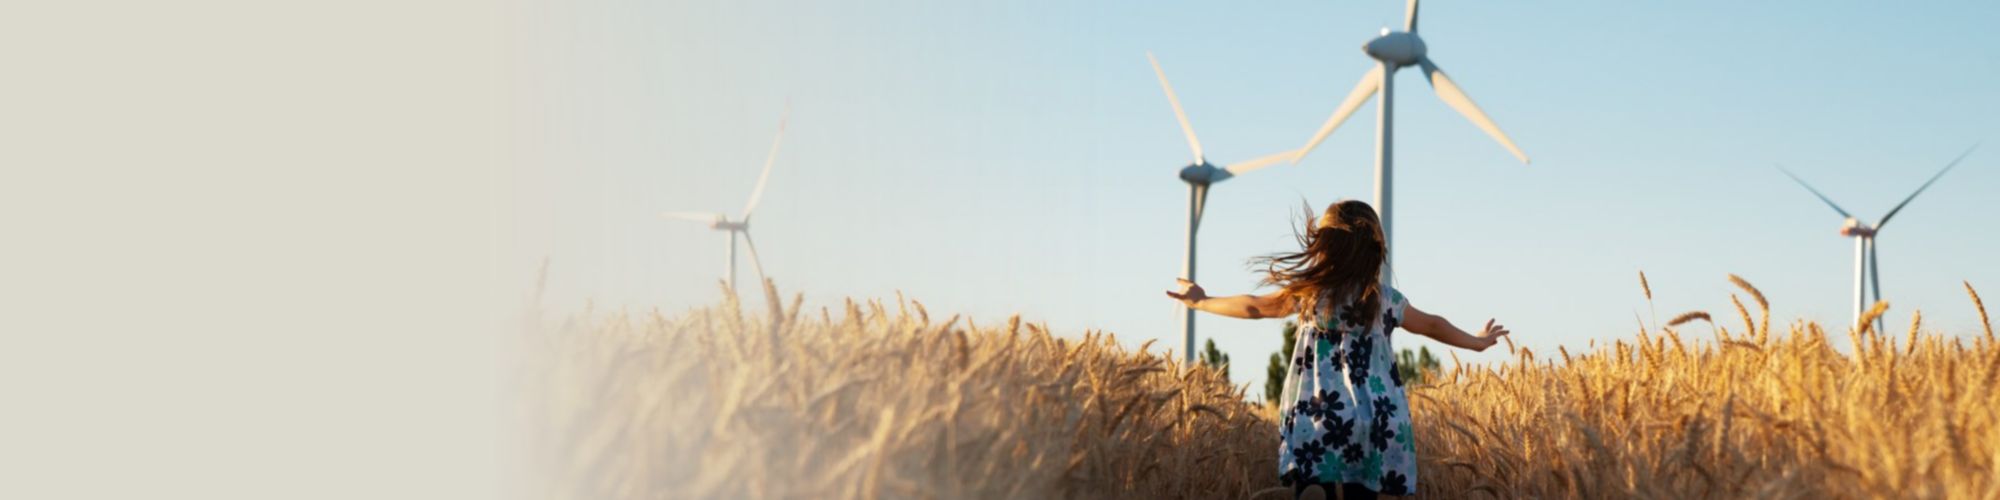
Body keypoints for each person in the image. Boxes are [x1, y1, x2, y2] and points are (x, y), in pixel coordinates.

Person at [1166, 200, 1510, 499]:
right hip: (1379, 417)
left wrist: (1203, 302)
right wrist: (1476, 342)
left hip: (1319, 414)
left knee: (1316, 474)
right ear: (1375, 249)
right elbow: (1433, 324)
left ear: (1324, 246)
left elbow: (1255, 306)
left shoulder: (1310, 295)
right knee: (1370, 489)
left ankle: (1315, 489)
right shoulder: (1384, 299)